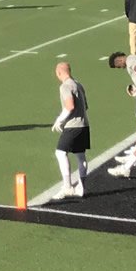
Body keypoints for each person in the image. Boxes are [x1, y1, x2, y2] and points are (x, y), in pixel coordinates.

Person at [45, 60, 90, 200]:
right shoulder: (78, 84)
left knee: (60, 153)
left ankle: (67, 187)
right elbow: (85, 106)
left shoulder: (65, 86)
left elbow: (69, 106)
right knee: (80, 156)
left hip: (73, 126)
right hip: (84, 124)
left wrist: (60, 119)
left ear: (59, 72)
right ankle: (81, 186)